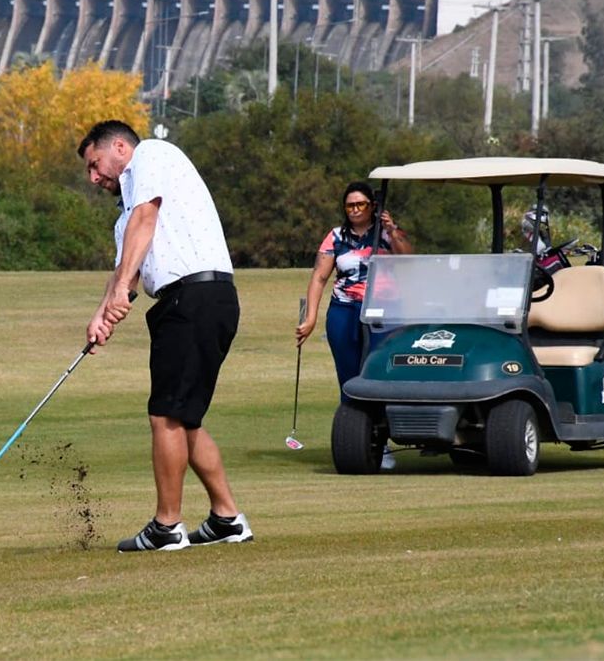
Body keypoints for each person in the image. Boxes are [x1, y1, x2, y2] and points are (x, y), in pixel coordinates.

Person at [77, 120, 251, 552]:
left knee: (166, 416)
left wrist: (120, 291)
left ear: (119, 147)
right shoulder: (126, 218)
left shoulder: (151, 156)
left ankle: (167, 526)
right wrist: (102, 315)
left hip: (197, 295)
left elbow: (146, 218)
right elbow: (126, 273)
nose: (94, 178)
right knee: (184, 417)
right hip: (188, 302)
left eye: (95, 165)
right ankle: (227, 519)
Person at [294, 182, 413, 468]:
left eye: (361, 204)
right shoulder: (336, 237)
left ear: (373, 206)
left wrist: (392, 229)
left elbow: (408, 258)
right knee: (350, 379)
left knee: (379, 375)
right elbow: (319, 278)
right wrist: (310, 318)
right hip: (345, 310)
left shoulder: (387, 233)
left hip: (384, 311)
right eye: (350, 206)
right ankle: (358, 441)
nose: (355, 210)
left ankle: (381, 441)